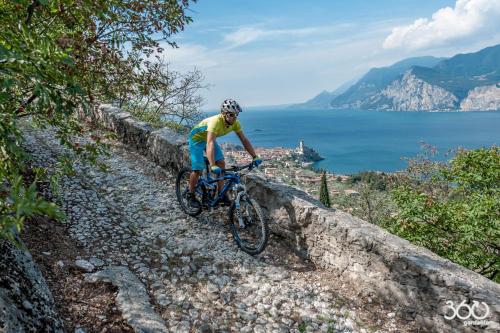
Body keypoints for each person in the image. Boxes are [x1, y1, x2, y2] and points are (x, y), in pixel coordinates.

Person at [187, 99, 262, 207]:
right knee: (198, 169)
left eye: (236, 114)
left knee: (221, 163)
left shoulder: (235, 123)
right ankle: (191, 195)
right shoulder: (215, 122)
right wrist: (212, 165)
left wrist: (254, 156)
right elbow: (210, 143)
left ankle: (221, 195)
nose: (234, 117)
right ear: (223, 114)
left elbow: (244, 140)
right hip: (197, 140)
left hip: (209, 140)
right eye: (231, 114)